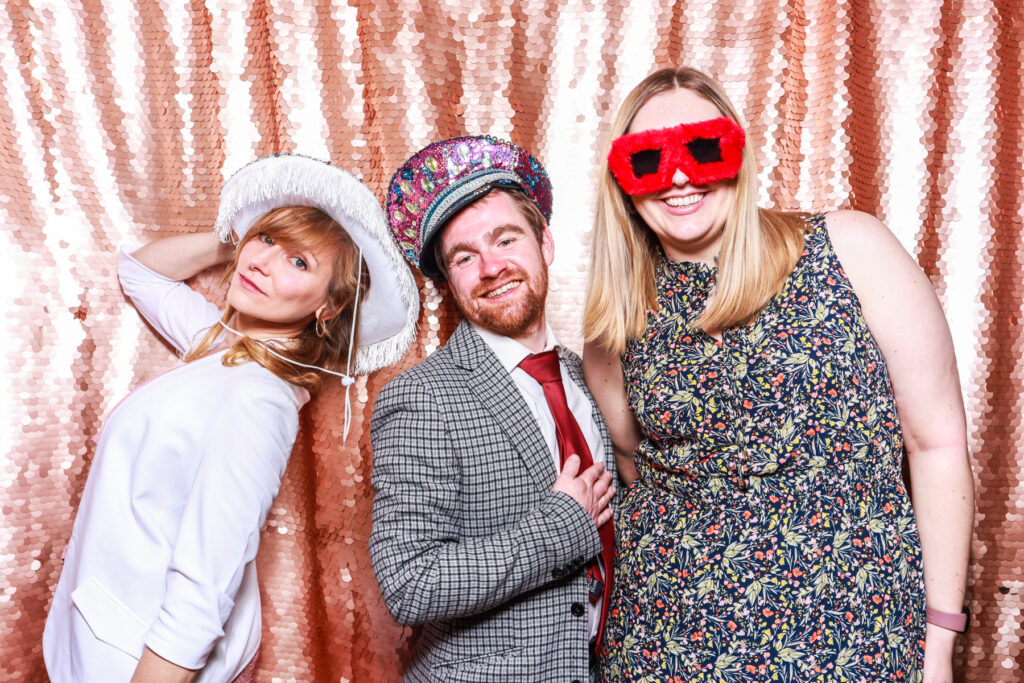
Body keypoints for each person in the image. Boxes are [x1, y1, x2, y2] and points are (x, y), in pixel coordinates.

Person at [583, 67, 975, 682]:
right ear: (621, 180)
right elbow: (637, 471)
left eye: (703, 148)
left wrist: (940, 639)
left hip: (855, 637)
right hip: (670, 644)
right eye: (649, 158)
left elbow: (939, 445)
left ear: (737, 152)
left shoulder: (851, 250)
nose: (680, 176)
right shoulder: (617, 326)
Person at [43, 154, 418, 682]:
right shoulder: (223, 348)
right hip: (102, 638)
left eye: (300, 263)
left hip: (137, 664)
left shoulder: (259, 401)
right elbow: (141, 271)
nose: (263, 262)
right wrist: (241, 238)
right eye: (267, 240)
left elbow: (204, 588)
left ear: (327, 309)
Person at [370, 136, 616, 681]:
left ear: (545, 243)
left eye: (506, 239)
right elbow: (409, 584)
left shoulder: (586, 375)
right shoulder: (420, 399)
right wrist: (560, 526)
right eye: (464, 257)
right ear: (448, 282)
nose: (491, 267)